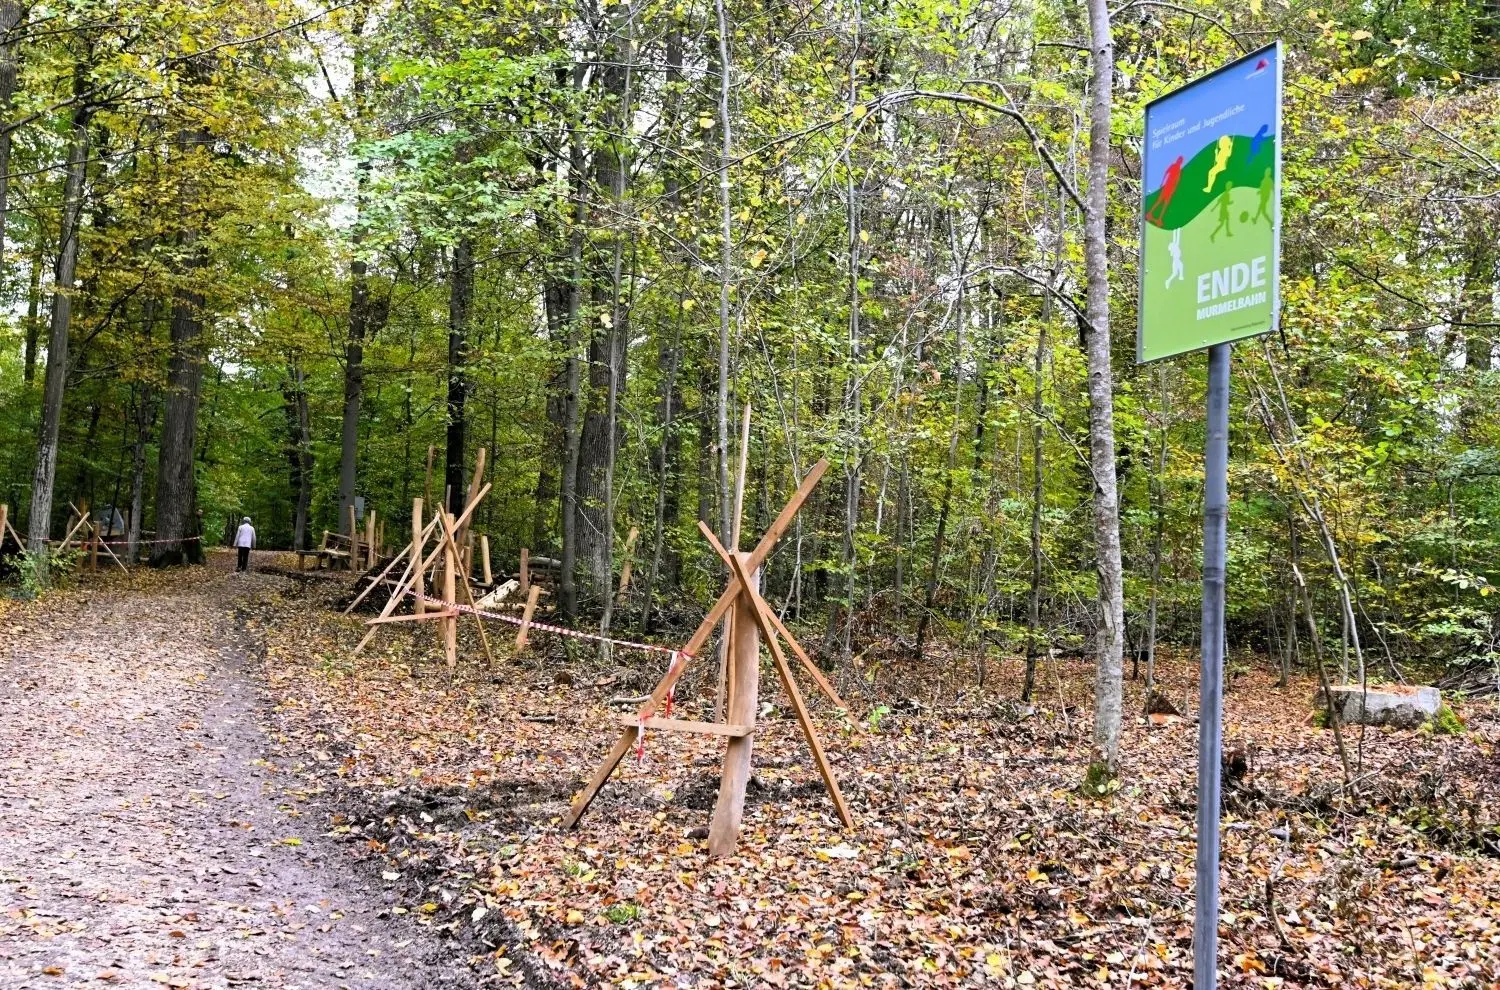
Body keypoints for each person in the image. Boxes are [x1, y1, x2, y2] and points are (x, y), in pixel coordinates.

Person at [1146, 155, 1184, 225]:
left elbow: (1177, 181)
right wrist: (1162, 182)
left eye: (1180, 161)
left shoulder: (1179, 170)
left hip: (1170, 187)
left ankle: (1159, 219)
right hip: (1167, 186)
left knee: (1165, 203)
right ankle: (1150, 214)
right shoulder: (1174, 166)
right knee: (1160, 201)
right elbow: (1166, 173)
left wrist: (1173, 190)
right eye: (1179, 161)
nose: (1179, 162)